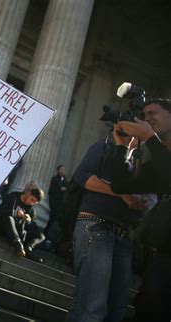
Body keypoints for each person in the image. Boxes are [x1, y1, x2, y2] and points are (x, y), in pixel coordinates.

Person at [65, 136, 145, 322]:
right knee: (92, 304)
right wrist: (123, 195)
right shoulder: (104, 146)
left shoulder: (137, 162)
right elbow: (83, 177)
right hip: (96, 225)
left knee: (116, 307)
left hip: (123, 234)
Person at [110, 98, 171, 321]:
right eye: (144, 115)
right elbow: (120, 185)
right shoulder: (157, 162)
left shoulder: (159, 154)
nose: (148, 119)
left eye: (154, 113)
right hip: (163, 255)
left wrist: (149, 139)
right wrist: (121, 147)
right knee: (149, 306)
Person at [0, 187, 46, 262]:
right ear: (29, 193)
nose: (31, 203)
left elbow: (32, 230)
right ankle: (18, 244)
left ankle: (28, 249)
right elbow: (0, 211)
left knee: (41, 236)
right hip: (3, 226)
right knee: (9, 219)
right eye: (32, 199)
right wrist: (14, 213)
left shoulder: (31, 209)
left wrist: (29, 222)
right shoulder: (13, 196)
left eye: (34, 202)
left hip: (19, 231)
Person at [44, 165, 68, 238]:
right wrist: (61, 189)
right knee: (52, 220)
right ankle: (46, 235)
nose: (63, 171)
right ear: (58, 170)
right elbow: (52, 191)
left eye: (64, 170)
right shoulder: (54, 179)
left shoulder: (66, 181)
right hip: (54, 204)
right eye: (61, 169)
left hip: (61, 205)